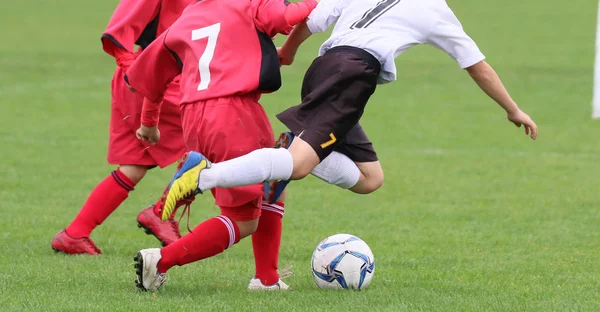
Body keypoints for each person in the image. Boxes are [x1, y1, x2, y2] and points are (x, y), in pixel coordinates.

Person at [155, 0, 539, 217]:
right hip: (353, 76)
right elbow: (478, 66)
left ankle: (288, 146)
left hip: (325, 69)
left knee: (370, 178)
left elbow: (311, 18)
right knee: (299, 165)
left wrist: (287, 53)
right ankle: (204, 175)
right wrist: (512, 109)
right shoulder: (434, 8)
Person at [126, 0, 319, 291]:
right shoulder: (249, 3)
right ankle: (161, 260)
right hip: (235, 113)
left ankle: (267, 279)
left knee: (272, 184)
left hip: (192, 117)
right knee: (242, 220)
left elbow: (152, 74)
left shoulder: (188, 16)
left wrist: (149, 122)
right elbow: (286, 16)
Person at [50, 0, 200, 256]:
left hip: (169, 77)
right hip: (155, 79)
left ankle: (75, 233)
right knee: (211, 146)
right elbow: (119, 28)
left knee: (134, 166)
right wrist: (135, 72)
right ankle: (162, 212)